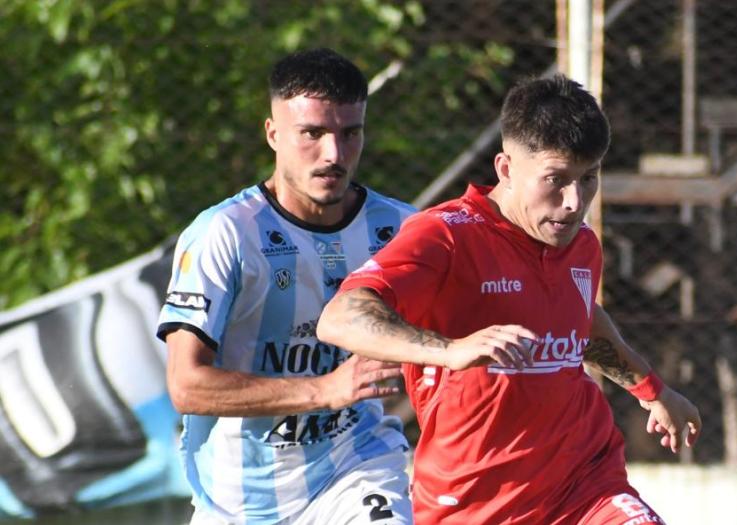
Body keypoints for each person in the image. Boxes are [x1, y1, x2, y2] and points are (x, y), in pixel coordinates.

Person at [317, 74, 702, 524]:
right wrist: (451, 350)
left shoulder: (580, 245)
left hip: (585, 487)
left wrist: (651, 390)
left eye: (589, 178)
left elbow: (579, 321)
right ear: (505, 169)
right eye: (556, 179)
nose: (575, 201)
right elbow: (340, 318)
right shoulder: (445, 235)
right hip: (472, 505)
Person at [156, 48, 415, 525]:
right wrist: (326, 389)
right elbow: (187, 385)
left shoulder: (401, 229)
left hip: (355, 470)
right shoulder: (224, 234)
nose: (334, 154)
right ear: (273, 134)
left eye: (349, 133)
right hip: (236, 502)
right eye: (312, 133)